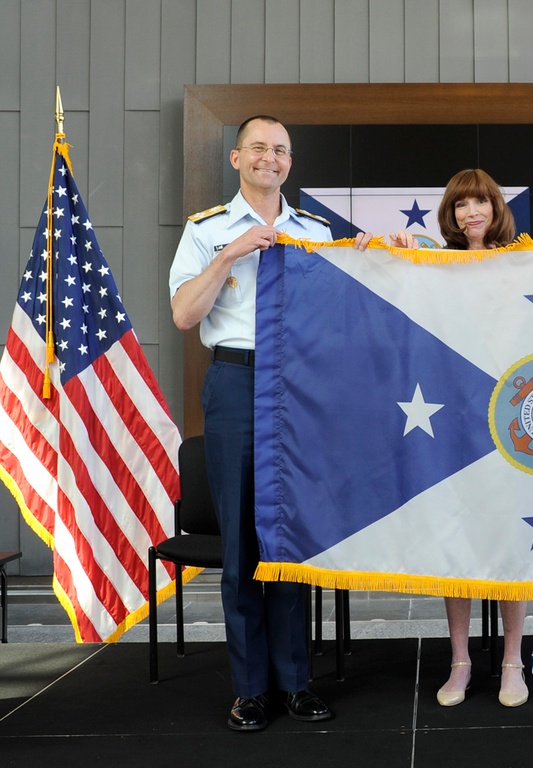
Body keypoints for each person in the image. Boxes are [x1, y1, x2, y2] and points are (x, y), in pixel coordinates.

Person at [169, 115, 365, 732]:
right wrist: (231, 253)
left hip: (300, 387)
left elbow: (344, 311)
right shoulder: (207, 231)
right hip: (236, 379)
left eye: (280, 151)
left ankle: (296, 683)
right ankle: (250, 688)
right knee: (240, 551)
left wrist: (363, 263)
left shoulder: (313, 230)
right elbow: (182, 315)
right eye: (259, 148)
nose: (270, 159)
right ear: (236, 159)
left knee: (290, 541)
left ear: (290, 161)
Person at [377, 169, 533, 708]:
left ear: (495, 208)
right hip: (450, 420)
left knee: (514, 538)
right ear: (451, 214)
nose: (471, 212)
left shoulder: (524, 259)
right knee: (456, 538)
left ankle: (513, 660)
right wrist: (388, 253)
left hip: (510, 420)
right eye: (461, 204)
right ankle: (460, 661)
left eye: (480, 201)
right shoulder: (433, 263)